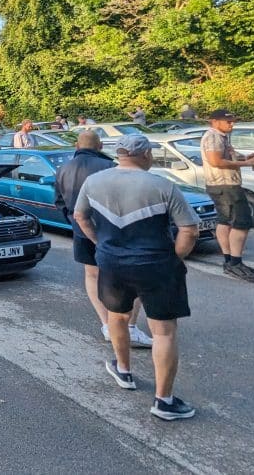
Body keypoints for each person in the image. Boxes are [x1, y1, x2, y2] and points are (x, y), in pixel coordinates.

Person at [72, 134, 199, 421]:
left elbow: (80, 217)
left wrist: (99, 244)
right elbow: (189, 230)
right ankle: (163, 401)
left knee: (117, 317)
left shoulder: (94, 182)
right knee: (163, 332)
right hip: (156, 265)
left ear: (119, 155)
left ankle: (124, 372)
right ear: (144, 155)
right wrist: (174, 258)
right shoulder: (162, 185)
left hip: (112, 264)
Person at [55, 131, 154, 348]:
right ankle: (127, 326)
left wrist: (74, 223)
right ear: (100, 145)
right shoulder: (109, 167)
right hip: (113, 230)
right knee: (129, 276)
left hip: (81, 229)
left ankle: (107, 325)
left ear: (76, 145)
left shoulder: (63, 168)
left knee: (92, 274)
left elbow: (60, 202)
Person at [200, 109, 254, 283]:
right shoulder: (213, 137)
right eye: (228, 122)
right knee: (242, 222)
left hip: (222, 185)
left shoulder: (221, 136)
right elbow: (216, 161)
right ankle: (235, 263)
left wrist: (246, 157)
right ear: (214, 121)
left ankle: (230, 261)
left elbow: (226, 156)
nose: (232, 124)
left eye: (233, 121)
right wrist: (246, 163)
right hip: (225, 185)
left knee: (225, 221)